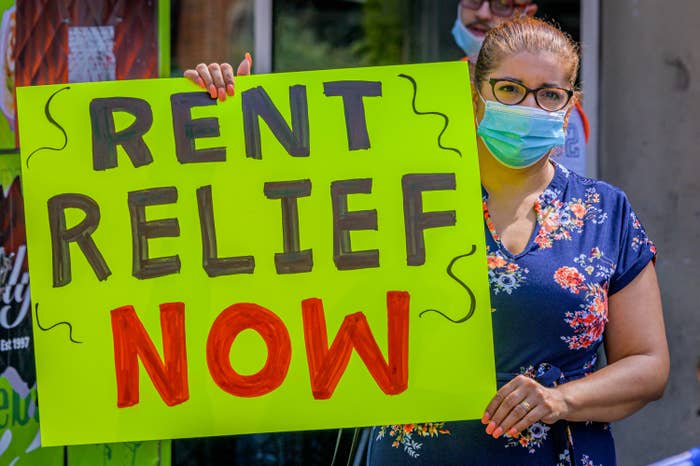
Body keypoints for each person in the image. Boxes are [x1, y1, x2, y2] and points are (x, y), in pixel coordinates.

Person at [184, 15, 668, 466]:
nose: (528, 106)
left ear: (570, 108)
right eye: (509, 89)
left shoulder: (606, 212)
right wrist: (230, 120)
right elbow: (270, 231)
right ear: (476, 96)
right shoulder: (397, 194)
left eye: (549, 95)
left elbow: (648, 365)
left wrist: (560, 399)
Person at [452, 0, 589, 174]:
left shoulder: (555, 108)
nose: (483, 13)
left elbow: (563, 192)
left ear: (528, 13)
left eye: (502, 4)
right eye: (474, 0)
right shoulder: (439, 84)